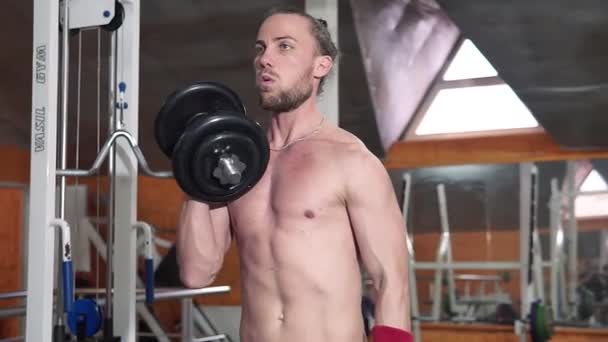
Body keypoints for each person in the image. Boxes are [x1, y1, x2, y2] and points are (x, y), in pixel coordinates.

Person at [177, 7, 412, 342]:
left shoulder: (351, 161)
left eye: (283, 46)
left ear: (321, 65)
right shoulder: (236, 163)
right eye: (260, 48)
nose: (264, 59)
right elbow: (195, 273)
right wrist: (195, 162)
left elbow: (391, 284)